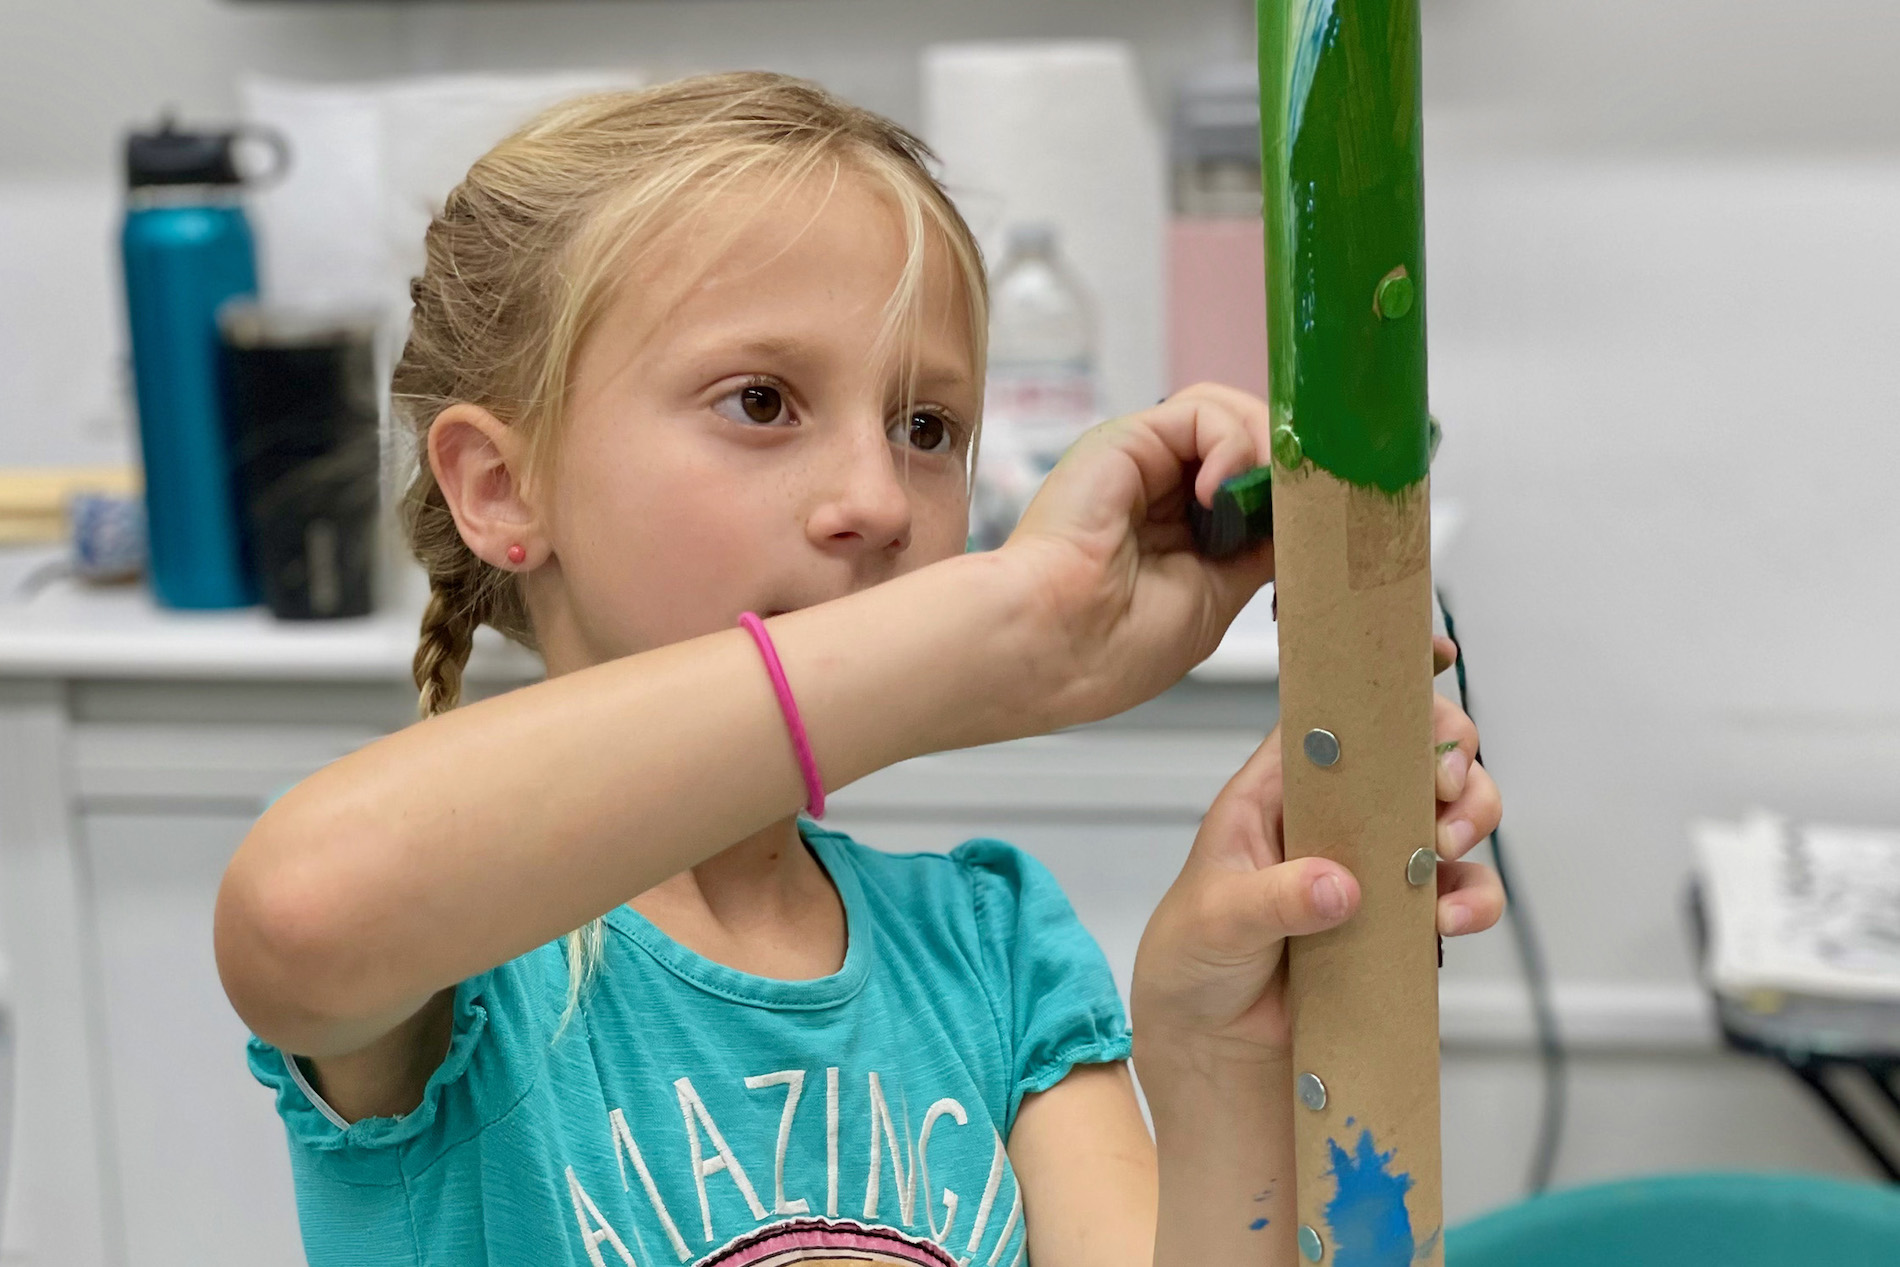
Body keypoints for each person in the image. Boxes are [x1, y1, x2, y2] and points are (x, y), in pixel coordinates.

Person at [214, 71, 1504, 1267]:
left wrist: (1213, 1047)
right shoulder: (474, 959)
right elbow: (302, 912)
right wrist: (1000, 626)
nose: (880, 500)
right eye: (762, 402)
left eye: (926, 426)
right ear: (504, 488)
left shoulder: (993, 950)